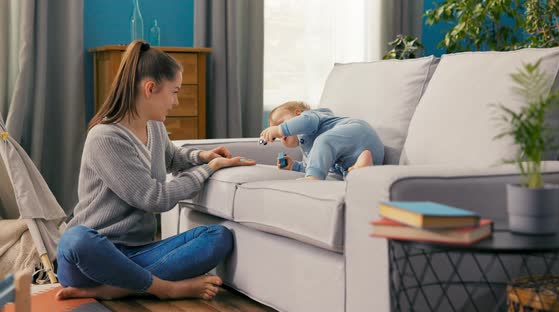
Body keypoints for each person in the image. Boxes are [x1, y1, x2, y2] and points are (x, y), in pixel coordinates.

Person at [56, 40, 255, 301]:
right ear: (150, 89)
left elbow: (172, 157)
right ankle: (165, 288)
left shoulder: (154, 127)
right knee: (76, 238)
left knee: (218, 237)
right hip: (94, 257)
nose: (175, 101)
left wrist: (204, 156)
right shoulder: (105, 137)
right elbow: (154, 198)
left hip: (139, 253)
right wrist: (208, 169)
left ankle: (115, 290)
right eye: (174, 92)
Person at [260, 101, 383, 180]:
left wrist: (280, 130)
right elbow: (314, 165)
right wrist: (295, 166)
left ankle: (313, 180)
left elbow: (306, 122)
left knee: (323, 140)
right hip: (362, 152)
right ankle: (361, 170)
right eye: (278, 136)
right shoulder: (310, 150)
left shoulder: (311, 117)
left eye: (281, 123)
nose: (281, 134)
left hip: (356, 130)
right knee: (342, 177)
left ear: (299, 113)